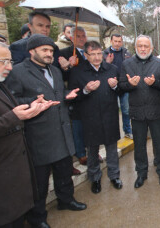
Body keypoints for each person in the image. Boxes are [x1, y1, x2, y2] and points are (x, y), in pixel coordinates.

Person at [4, 34, 87, 228]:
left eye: (51, 50)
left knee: (64, 171)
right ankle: (38, 217)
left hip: (61, 132)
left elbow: (56, 95)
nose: (49, 54)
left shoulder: (55, 71)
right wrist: (33, 102)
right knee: (40, 181)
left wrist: (68, 94)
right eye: (44, 50)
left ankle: (66, 200)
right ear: (32, 51)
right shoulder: (18, 72)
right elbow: (11, 102)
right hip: (39, 135)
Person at [0, 41, 50, 228]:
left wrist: (32, 107)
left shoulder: (1, 85)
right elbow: (10, 116)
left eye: (10, 61)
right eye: (4, 61)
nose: (9, 67)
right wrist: (13, 117)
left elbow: (15, 107)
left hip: (14, 168)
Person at [68, 41, 123, 194]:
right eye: (93, 54)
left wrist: (115, 86)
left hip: (109, 115)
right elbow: (71, 95)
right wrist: (85, 90)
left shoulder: (112, 69)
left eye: (99, 53)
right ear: (86, 55)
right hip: (89, 117)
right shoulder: (78, 72)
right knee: (92, 150)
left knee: (112, 148)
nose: (97, 57)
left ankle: (114, 176)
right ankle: (95, 178)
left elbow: (122, 91)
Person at [119, 35, 160, 188]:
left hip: (156, 113)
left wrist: (155, 83)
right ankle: (141, 173)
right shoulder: (126, 64)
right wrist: (130, 84)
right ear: (135, 47)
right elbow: (121, 86)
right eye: (139, 45)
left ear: (151, 48)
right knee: (139, 146)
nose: (142, 48)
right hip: (137, 113)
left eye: (146, 46)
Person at [59, 26, 89, 175]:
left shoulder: (89, 52)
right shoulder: (64, 53)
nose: (82, 38)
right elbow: (61, 77)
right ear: (71, 38)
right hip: (75, 94)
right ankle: (81, 153)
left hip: (91, 93)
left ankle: (92, 150)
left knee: (90, 125)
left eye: (83, 36)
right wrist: (69, 65)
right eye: (78, 36)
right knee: (77, 126)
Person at [103, 34, 133, 139]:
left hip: (123, 85)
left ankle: (127, 131)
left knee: (126, 110)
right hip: (110, 86)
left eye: (119, 41)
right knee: (111, 111)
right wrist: (107, 63)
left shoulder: (126, 53)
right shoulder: (105, 54)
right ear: (111, 41)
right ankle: (112, 133)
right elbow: (101, 70)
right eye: (115, 41)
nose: (117, 43)